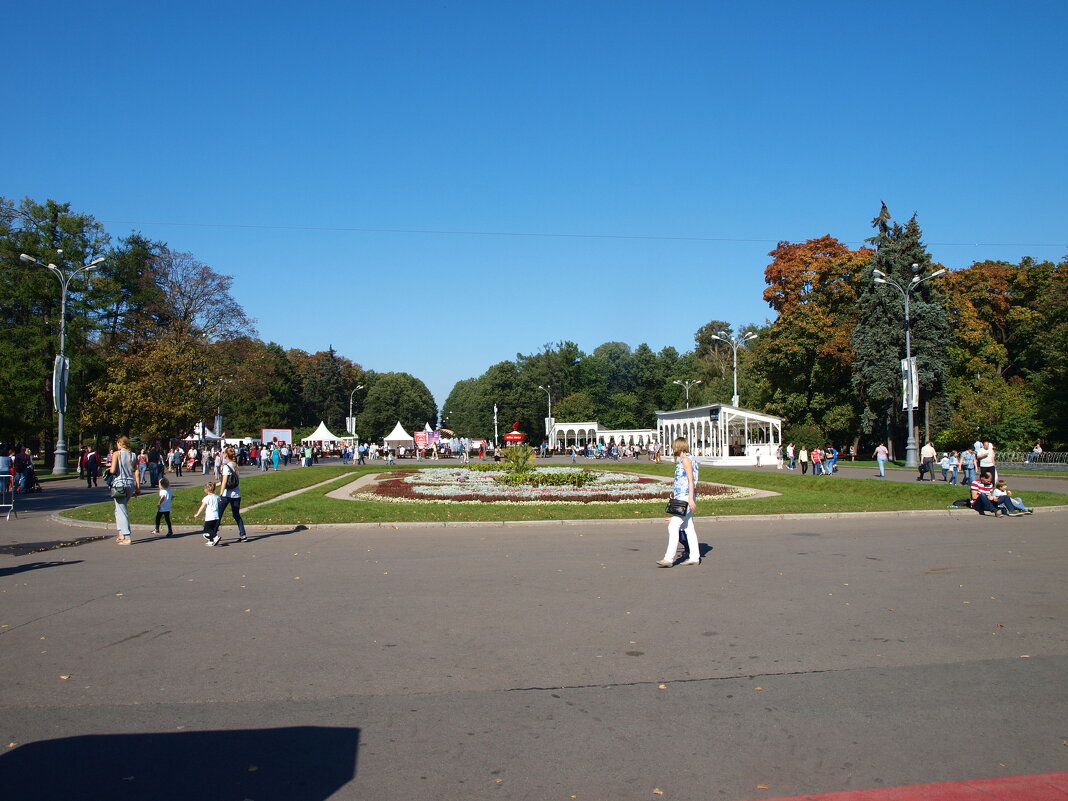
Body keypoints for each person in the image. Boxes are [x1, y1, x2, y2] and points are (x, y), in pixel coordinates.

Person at [657, 437, 701, 568]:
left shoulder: (686, 460)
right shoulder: (689, 458)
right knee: (688, 528)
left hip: (685, 497)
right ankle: (694, 557)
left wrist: (690, 498)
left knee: (673, 526)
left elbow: (690, 480)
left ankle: (668, 558)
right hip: (683, 495)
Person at [110, 435, 142, 545]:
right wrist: (138, 487)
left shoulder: (116, 454)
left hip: (120, 484)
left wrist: (109, 468)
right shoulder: (133, 455)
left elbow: (113, 470)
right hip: (130, 484)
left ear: (119, 443)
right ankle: (121, 534)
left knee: (122, 511)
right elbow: (137, 471)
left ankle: (127, 536)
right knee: (118, 509)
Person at [218, 446, 248, 543]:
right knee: (236, 515)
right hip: (237, 494)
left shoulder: (226, 467)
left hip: (227, 494)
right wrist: (215, 484)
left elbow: (224, 481)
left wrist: (221, 494)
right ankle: (243, 534)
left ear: (226, 455)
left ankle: (213, 534)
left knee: (218, 514)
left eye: (223, 453)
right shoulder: (235, 466)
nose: (222, 454)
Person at [195, 481, 223, 546]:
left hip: (209, 517)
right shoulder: (217, 497)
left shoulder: (206, 498)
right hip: (216, 516)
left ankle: (216, 537)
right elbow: (219, 503)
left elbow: (202, 507)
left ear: (206, 490)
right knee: (211, 529)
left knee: (206, 531)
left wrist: (197, 514)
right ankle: (211, 541)